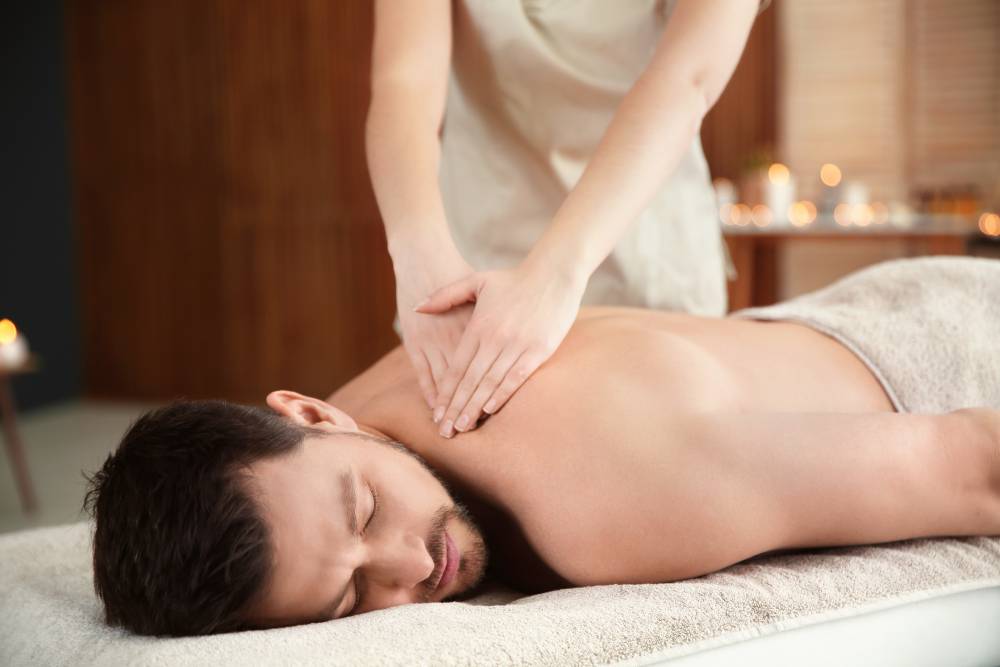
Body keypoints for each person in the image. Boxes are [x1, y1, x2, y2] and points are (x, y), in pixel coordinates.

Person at [85, 257, 1000, 636]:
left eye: (363, 511)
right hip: (839, 310)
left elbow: (977, 466)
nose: (413, 564)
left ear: (312, 414)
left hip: (958, 341)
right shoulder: (353, 420)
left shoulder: (605, 500)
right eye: (350, 597)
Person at [368, 0, 766, 439]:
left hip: (644, 253)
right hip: (471, 271)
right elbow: (403, 82)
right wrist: (417, 251)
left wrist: (555, 273)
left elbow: (687, 81)